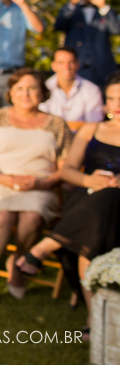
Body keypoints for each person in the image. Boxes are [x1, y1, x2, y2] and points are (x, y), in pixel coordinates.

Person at [16, 73, 120, 334]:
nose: (116, 104)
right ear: (104, 103)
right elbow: (68, 171)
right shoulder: (91, 129)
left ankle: (47, 245)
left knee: (108, 199)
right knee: (91, 232)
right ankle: (95, 319)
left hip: (117, 205)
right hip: (87, 198)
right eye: (111, 98)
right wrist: (90, 179)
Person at [0, 69, 72, 308]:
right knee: (3, 215)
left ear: (43, 93)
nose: (25, 94)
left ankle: (17, 263)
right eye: (19, 88)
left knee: (33, 217)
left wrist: (45, 183)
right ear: (10, 93)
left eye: (32, 88)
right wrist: (4, 179)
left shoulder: (57, 124)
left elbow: (66, 168)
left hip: (39, 185)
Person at [55, 0, 120, 88]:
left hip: (103, 72)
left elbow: (116, 30)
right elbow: (59, 25)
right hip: (76, 71)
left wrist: (103, 6)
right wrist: (72, 4)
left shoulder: (106, 11)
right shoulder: (71, 10)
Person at [39, 47, 104, 131]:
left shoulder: (92, 90)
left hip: (83, 140)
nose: (66, 67)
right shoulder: (44, 88)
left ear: (78, 64)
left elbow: (94, 125)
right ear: (53, 66)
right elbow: (40, 122)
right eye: (61, 63)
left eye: (71, 62)